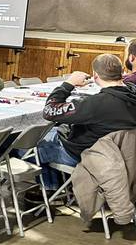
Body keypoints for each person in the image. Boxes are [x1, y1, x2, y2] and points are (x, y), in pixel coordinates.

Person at [38, 55, 136, 190]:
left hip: (84, 156)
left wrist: (68, 84)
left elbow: (49, 111)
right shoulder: (132, 92)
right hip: (124, 157)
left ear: (95, 75)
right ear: (121, 72)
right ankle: (54, 188)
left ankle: (48, 190)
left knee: (26, 144)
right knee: (52, 132)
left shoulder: (96, 104)